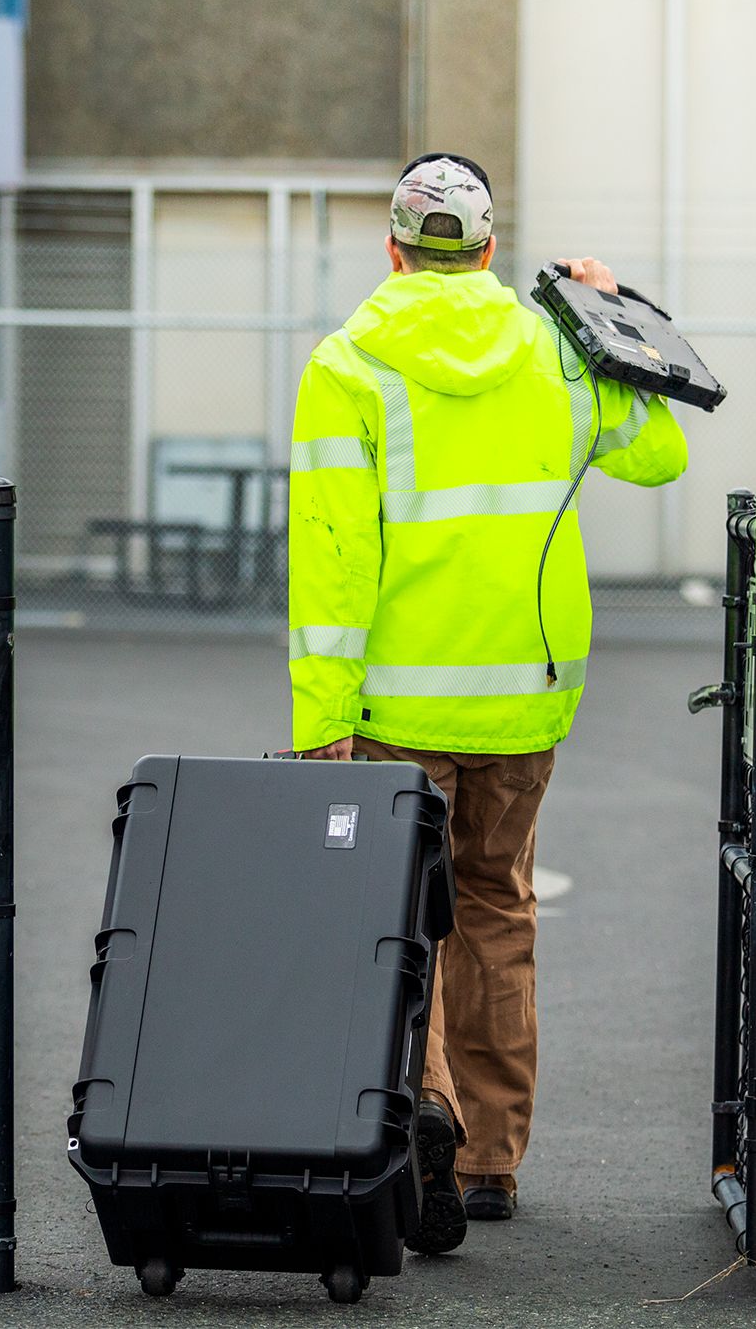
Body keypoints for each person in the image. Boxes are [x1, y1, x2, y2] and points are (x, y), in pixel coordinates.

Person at [285, 153, 689, 1254]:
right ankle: (489, 1158)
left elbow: (329, 557)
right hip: (522, 696)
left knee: (391, 923)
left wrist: (318, 711)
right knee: (493, 908)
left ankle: (411, 1117)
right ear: (491, 248)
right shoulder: (557, 348)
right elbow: (659, 455)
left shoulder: (346, 364)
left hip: (391, 706)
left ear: (393, 245)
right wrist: (609, 309)